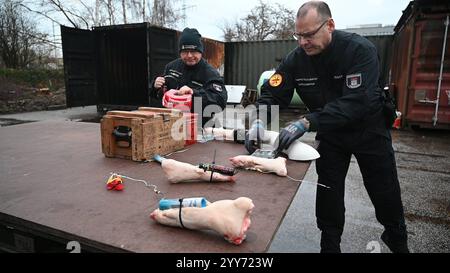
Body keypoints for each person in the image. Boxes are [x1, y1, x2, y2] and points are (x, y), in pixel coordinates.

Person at [245, 1, 409, 253]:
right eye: (298, 35)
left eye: (309, 35)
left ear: (330, 25)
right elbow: (273, 94)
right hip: (332, 134)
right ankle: (329, 244)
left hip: (369, 129)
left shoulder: (358, 51)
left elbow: (357, 102)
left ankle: (397, 240)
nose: (302, 42)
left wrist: (307, 121)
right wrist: (258, 118)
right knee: (328, 190)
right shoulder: (295, 60)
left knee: (383, 189)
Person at [150, 27, 227, 126]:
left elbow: (220, 100)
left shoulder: (210, 73)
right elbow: (159, 95)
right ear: (180, 52)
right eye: (185, 52)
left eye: (193, 51)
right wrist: (155, 87)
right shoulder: (171, 67)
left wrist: (193, 93)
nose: (189, 55)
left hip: (199, 127)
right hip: (172, 124)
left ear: (200, 52)